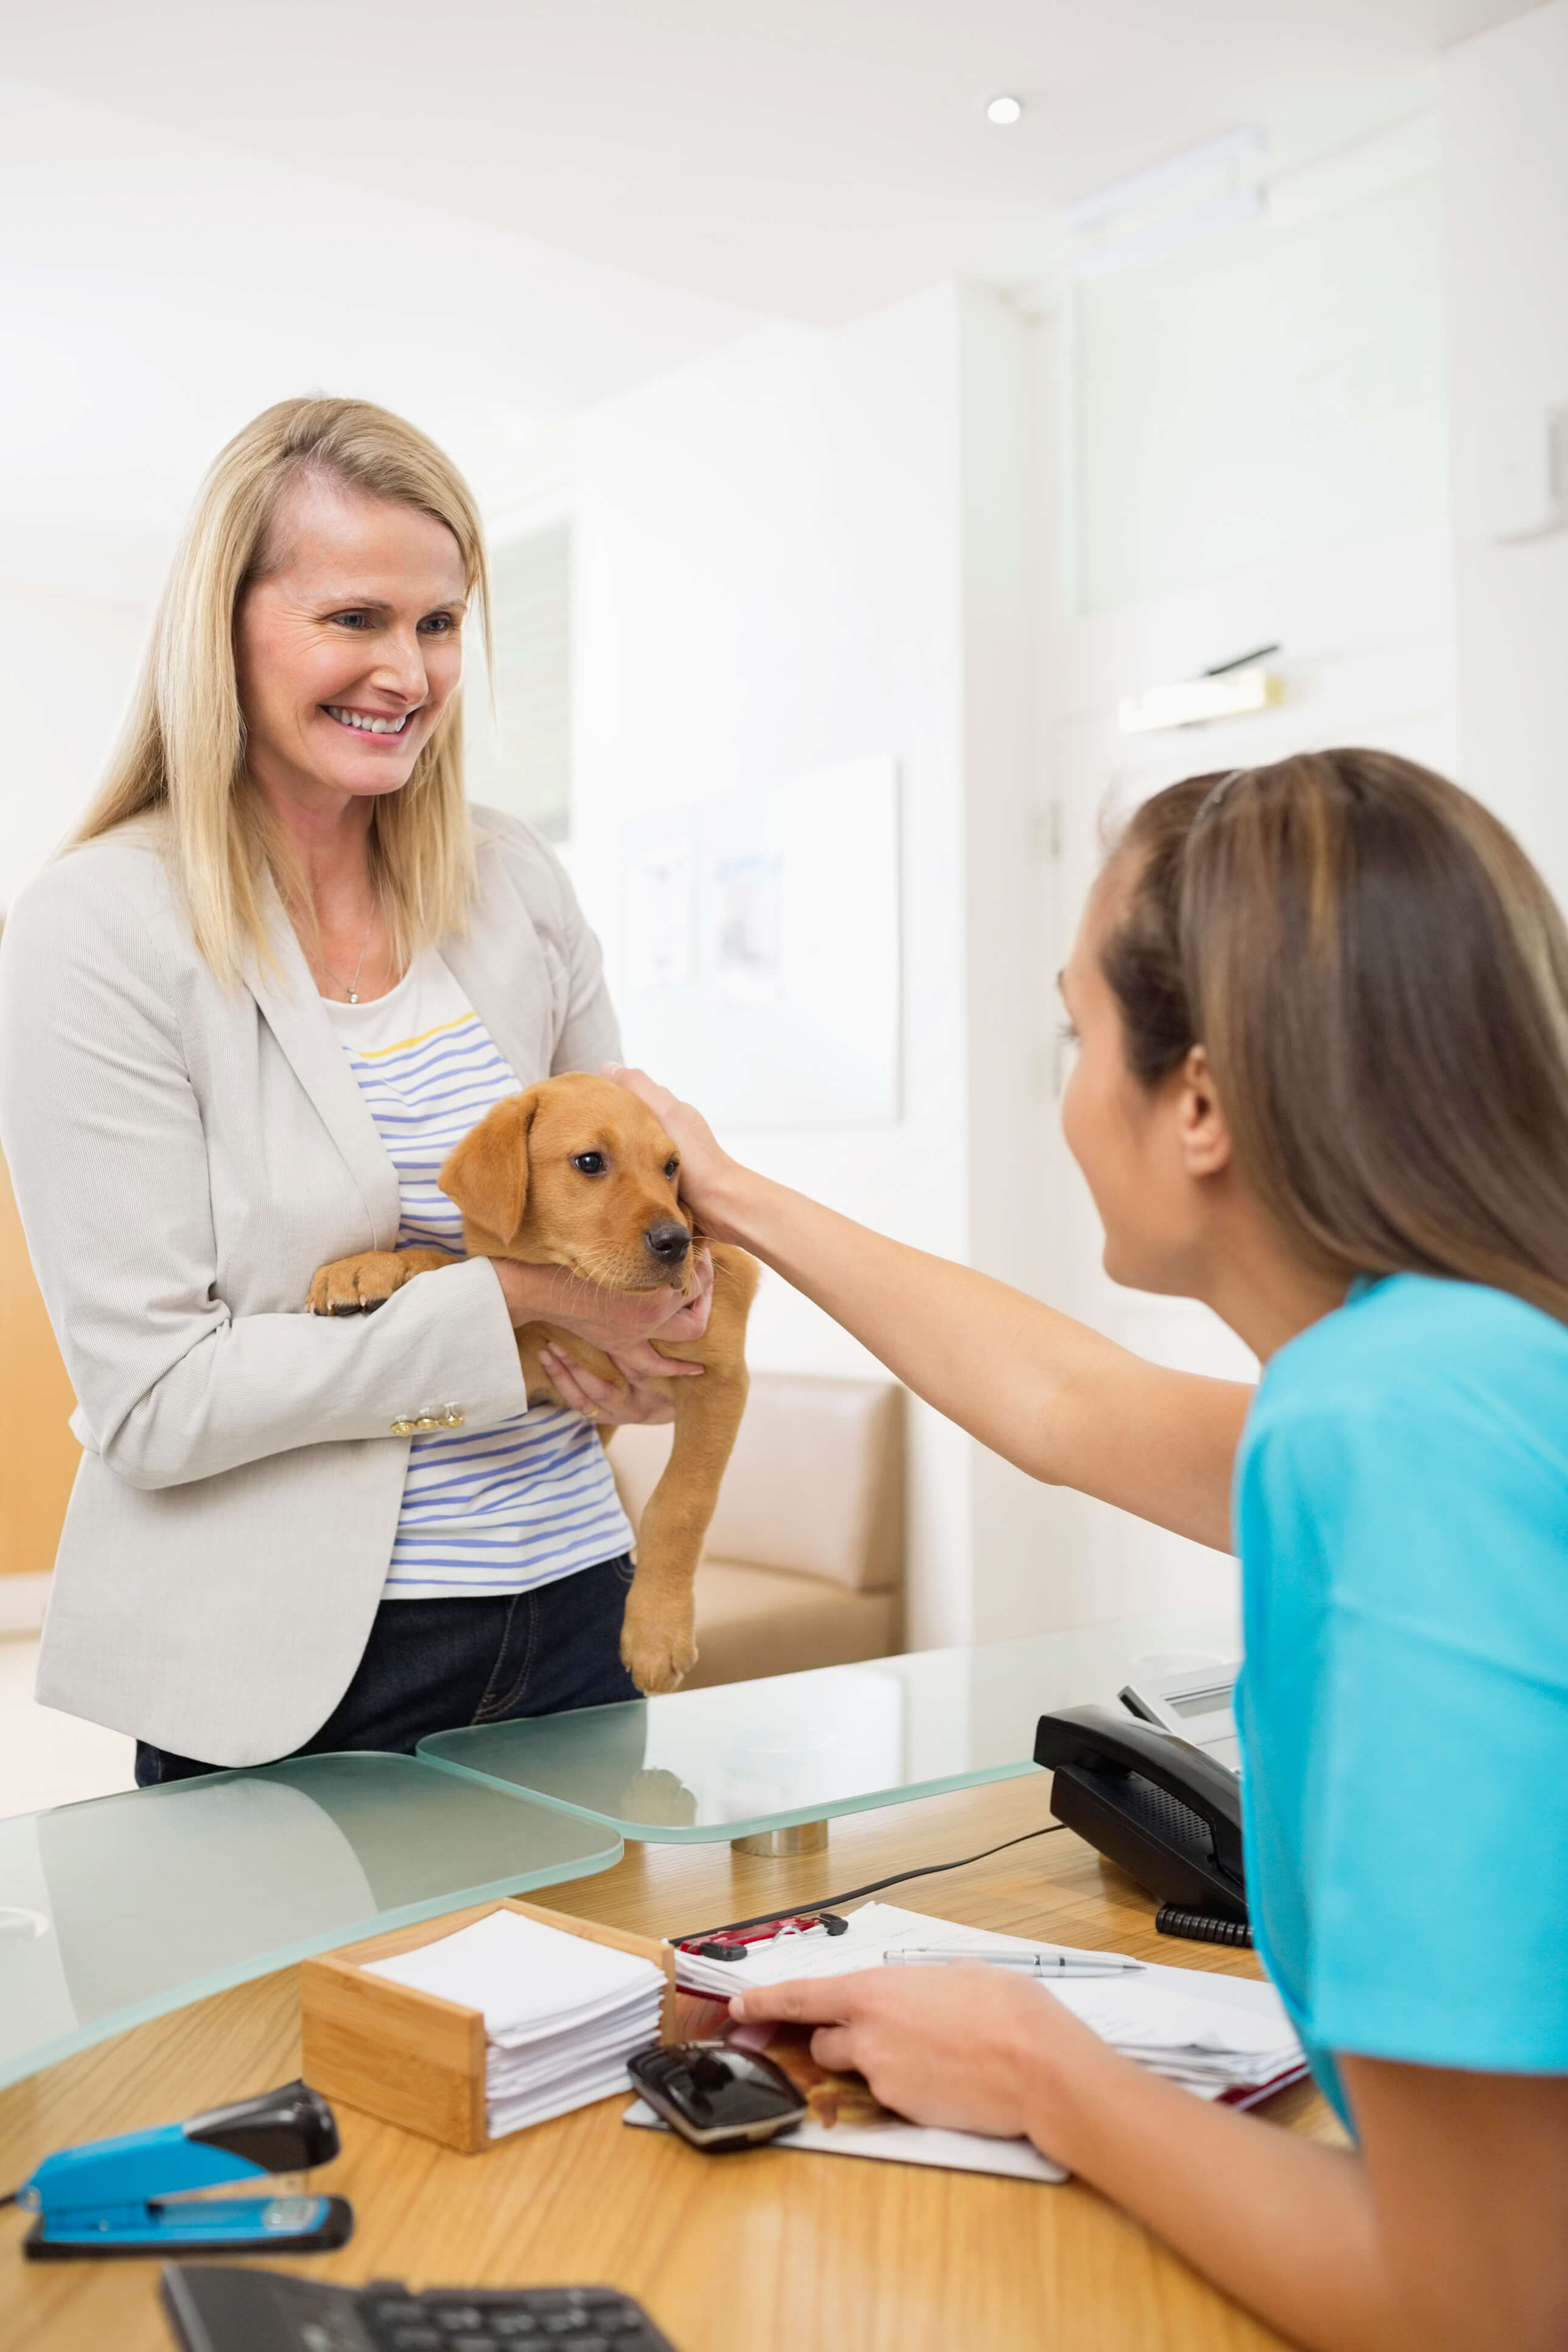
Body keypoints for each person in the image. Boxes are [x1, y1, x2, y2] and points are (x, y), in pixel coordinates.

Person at [600, 749, 1568, 2352]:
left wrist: (1042, 2069)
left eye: (1076, 1030)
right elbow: (1065, 1402)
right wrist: (737, 1196)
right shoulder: (1463, 1369)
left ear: (1196, 1097)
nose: (1062, 1087)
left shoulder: (1378, 1434)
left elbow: (1486, 2301)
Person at [0, 395, 708, 1784]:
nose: (410, 671)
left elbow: (636, 1246)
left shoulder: (513, 885)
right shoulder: (97, 929)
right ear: (226, 630)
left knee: (596, 2011)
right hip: (292, 1664)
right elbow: (153, 1399)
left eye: (439, 624)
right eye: (356, 619)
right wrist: (507, 1305)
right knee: (303, 2017)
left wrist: (632, 1340)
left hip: (576, 1608)